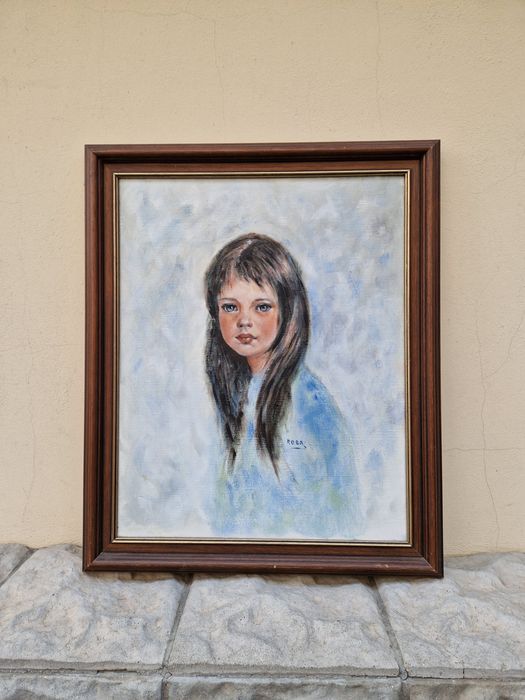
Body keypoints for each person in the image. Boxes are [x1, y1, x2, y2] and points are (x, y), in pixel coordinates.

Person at [204, 233, 362, 539]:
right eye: (230, 307)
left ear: (288, 311)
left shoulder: (309, 405)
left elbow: (335, 517)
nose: (244, 320)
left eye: (262, 307)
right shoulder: (238, 394)